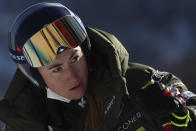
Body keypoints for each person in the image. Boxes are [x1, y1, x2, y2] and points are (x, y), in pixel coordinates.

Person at [0, 2, 196, 131]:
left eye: (75, 59)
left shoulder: (139, 84)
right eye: (56, 69)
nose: (72, 75)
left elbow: (191, 111)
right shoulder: (26, 123)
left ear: (86, 51)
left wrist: (179, 115)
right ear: (36, 76)